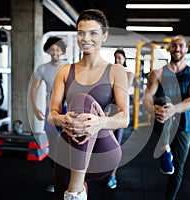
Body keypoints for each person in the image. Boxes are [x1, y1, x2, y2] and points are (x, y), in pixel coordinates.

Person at [48, 9, 129, 200]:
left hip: (103, 151)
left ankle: (76, 191)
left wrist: (99, 123)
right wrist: (62, 119)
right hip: (70, 147)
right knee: (60, 193)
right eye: (81, 32)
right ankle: (75, 190)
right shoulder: (65, 71)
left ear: (104, 36)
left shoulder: (115, 71)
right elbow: (52, 115)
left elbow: (124, 118)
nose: (86, 38)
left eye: (93, 33)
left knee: (81, 100)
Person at [142, 35, 190, 200]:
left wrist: (174, 109)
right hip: (162, 120)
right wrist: (152, 108)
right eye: (174, 45)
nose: (177, 49)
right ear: (169, 48)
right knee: (163, 100)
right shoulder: (159, 72)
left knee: (177, 168)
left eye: (181, 46)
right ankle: (165, 149)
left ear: (186, 49)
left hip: (184, 125)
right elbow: (146, 98)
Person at [30, 36, 67, 193]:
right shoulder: (42, 69)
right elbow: (34, 89)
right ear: (48, 51)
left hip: (67, 111)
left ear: (62, 50)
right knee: (53, 148)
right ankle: (54, 180)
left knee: (68, 147)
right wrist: (35, 108)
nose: (55, 52)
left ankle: (70, 180)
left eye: (58, 48)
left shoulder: (69, 66)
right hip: (50, 111)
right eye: (52, 49)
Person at [106, 49, 134, 189]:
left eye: (120, 58)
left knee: (116, 144)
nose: (117, 60)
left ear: (124, 60)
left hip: (121, 113)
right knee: (106, 144)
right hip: (109, 111)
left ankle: (113, 175)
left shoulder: (129, 74)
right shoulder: (110, 73)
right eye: (115, 58)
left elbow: (123, 89)